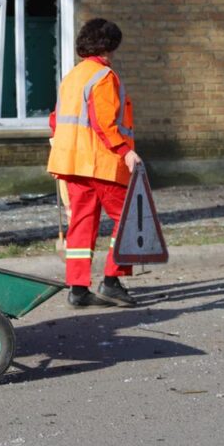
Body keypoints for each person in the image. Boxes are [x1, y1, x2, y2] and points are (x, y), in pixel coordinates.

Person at [47, 18, 142, 309]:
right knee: (131, 219)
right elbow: (104, 122)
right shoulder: (103, 76)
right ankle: (112, 282)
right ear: (110, 45)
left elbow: (54, 120)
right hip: (101, 163)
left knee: (82, 225)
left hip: (72, 163)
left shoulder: (73, 77)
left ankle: (78, 289)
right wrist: (125, 151)